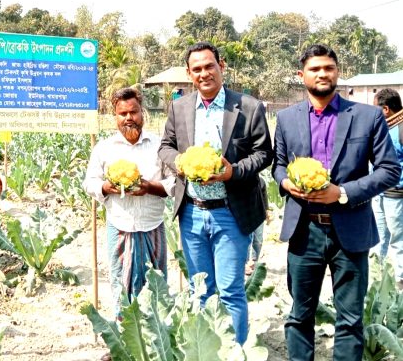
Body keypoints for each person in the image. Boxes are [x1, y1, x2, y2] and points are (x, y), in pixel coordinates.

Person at [272, 44, 401, 360]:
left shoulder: (367, 116)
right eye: (314, 69)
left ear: (337, 72)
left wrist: (341, 193)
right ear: (301, 75)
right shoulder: (287, 118)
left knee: (350, 320)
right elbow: (277, 164)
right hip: (304, 231)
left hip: (351, 231)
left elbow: (389, 170)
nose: (322, 74)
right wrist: (286, 182)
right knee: (300, 316)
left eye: (328, 68)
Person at [158, 42, 273, 345]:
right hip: (192, 212)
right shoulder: (179, 107)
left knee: (231, 290)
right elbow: (165, 147)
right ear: (189, 73)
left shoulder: (248, 106)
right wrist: (179, 163)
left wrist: (232, 171)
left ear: (222, 65)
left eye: (209, 66)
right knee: (200, 289)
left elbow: (264, 154)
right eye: (197, 69)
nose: (204, 73)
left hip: (231, 211)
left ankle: (235, 351)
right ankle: (207, 349)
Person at [83, 87, 174, 318]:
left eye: (133, 112)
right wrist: (105, 187)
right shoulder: (104, 148)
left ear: (142, 112)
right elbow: (89, 182)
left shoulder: (159, 144)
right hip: (120, 225)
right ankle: (126, 337)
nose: (128, 118)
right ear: (115, 116)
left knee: (156, 283)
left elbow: (175, 181)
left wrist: (150, 187)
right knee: (120, 284)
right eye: (122, 114)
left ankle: (156, 336)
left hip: (152, 225)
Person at [371, 88, 403, 289]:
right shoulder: (384, 127)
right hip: (379, 192)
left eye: (376, 108)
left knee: (398, 239)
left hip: (396, 194)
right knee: (378, 236)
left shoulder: (401, 128)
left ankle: (400, 280)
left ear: (385, 109)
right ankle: (377, 276)